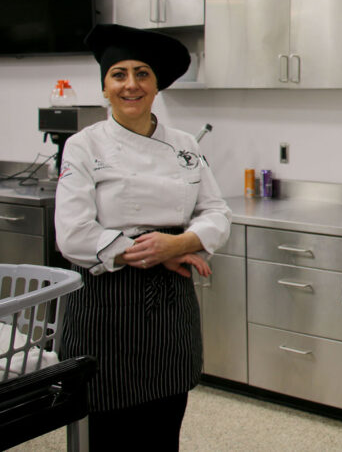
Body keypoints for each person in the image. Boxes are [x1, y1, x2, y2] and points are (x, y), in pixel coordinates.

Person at [55, 24, 231, 450]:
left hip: (169, 309)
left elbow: (216, 212)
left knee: (164, 425)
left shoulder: (185, 145)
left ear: (156, 86)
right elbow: (74, 235)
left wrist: (182, 244)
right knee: (110, 431)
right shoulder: (84, 146)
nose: (130, 85)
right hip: (104, 306)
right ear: (104, 86)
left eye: (142, 74)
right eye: (118, 74)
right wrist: (153, 252)